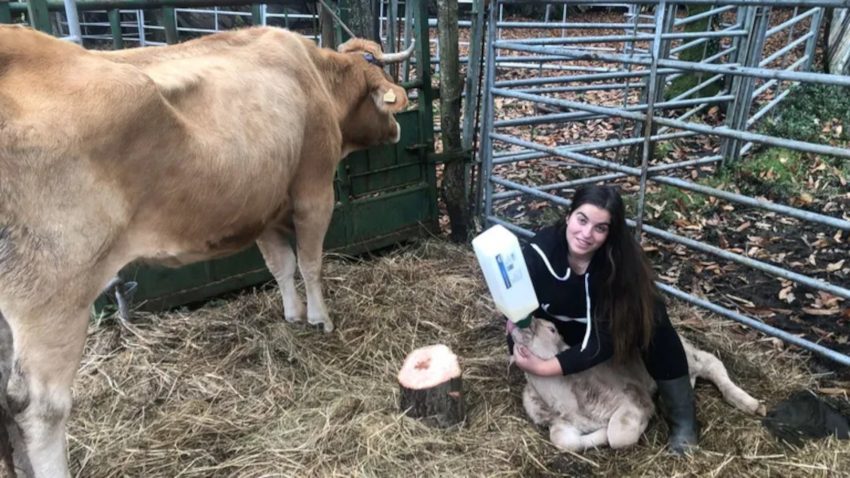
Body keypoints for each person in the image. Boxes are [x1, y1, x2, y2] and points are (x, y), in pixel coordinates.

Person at [506, 184, 698, 454]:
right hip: (564, 329)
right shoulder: (540, 252)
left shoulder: (619, 269)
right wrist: (515, 322)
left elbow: (601, 342)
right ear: (569, 216)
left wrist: (543, 368)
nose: (586, 234)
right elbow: (515, 299)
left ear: (610, 234)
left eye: (600, 228)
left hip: (613, 334)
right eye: (582, 220)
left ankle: (683, 421)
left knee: (654, 321)